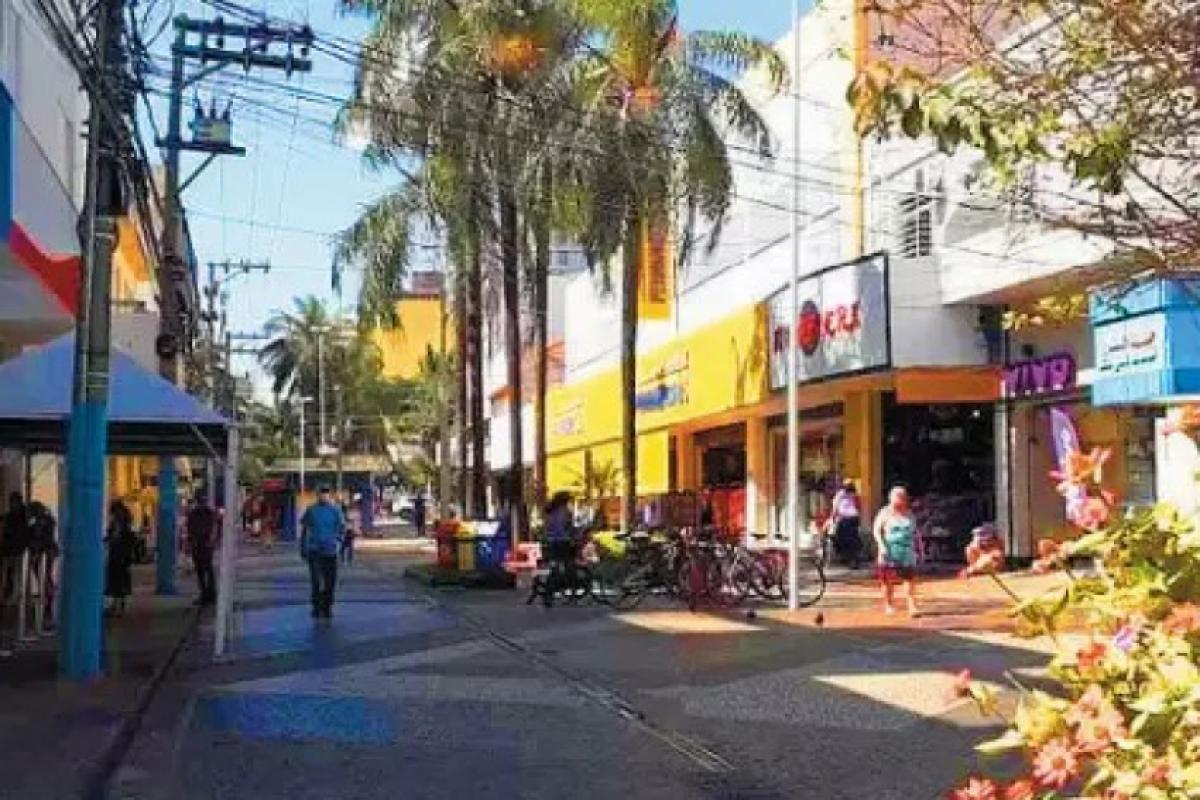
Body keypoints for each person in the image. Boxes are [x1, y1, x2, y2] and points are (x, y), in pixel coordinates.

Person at [872, 485, 919, 616]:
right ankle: (889, 605)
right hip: (889, 550)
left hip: (906, 551)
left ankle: (912, 605)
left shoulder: (909, 514)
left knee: (909, 579)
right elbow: (876, 531)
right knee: (887, 580)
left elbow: (914, 532)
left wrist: (918, 549)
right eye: (896, 499)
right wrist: (881, 545)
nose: (899, 502)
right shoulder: (884, 513)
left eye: (902, 498)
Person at [300, 486, 344, 619]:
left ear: (329, 495)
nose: (323, 496)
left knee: (330, 581)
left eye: (326, 494)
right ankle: (316, 607)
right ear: (317, 495)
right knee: (316, 581)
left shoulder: (335, 510)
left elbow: (341, 528)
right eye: (321, 494)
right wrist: (303, 548)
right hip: (314, 550)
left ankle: (327, 607)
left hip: (330, 551)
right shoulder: (311, 510)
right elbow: (305, 529)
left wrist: (338, 542)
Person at [27, 502, 58, 623]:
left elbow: (45, 537)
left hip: (45, 553)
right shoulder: (36, 523)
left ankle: (47, 608)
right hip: (40, 553)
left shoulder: (46, 521)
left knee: (45, 579)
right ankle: (45, 607)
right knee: (43, 579)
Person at [105, 500, 137, 616]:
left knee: (116, 581)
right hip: (123, 556)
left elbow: (114, 538)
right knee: (121, 581)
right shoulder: (126, 522)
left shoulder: (118, 523)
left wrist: (107, 539)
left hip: (117, 555)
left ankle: (116, 607)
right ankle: (119, 606)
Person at [186, 495, 218, 606]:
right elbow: (190, 530)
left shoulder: (196, 514)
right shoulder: (206, 513)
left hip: (202, 545)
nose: (202, 504)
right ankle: (208, 593)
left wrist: (211, 540)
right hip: (202, 545)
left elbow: (190, 530)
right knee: (205, 570)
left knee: (204, 570)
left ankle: (207, 593)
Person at [828, 480, 863, 569]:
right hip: (852, 519)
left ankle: (850, 559)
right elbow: (858, 507)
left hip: (846, 519)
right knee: (852, 539)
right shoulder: (853, 495)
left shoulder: (840, 495)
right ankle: (852, 559)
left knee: (845, 539)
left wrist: (832, 519)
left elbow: (835, 508)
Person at [1, 492, 29, 600]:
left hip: (16, 550)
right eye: (12, 502)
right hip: (8, 550)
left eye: (16, 502)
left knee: (13, 572)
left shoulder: (23, 517)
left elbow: (22, 534)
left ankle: (12, 594)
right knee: (9, 573)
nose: (14, 505)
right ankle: (8, 594)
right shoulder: (9, 516)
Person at [340, 499, 356, 565]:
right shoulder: (345, 516)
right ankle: (347, 560)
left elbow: (351, 523)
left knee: (345, 547)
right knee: (347, 547)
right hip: (347, 531)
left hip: (347, 531)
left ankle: (346, 560)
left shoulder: (344, 515)